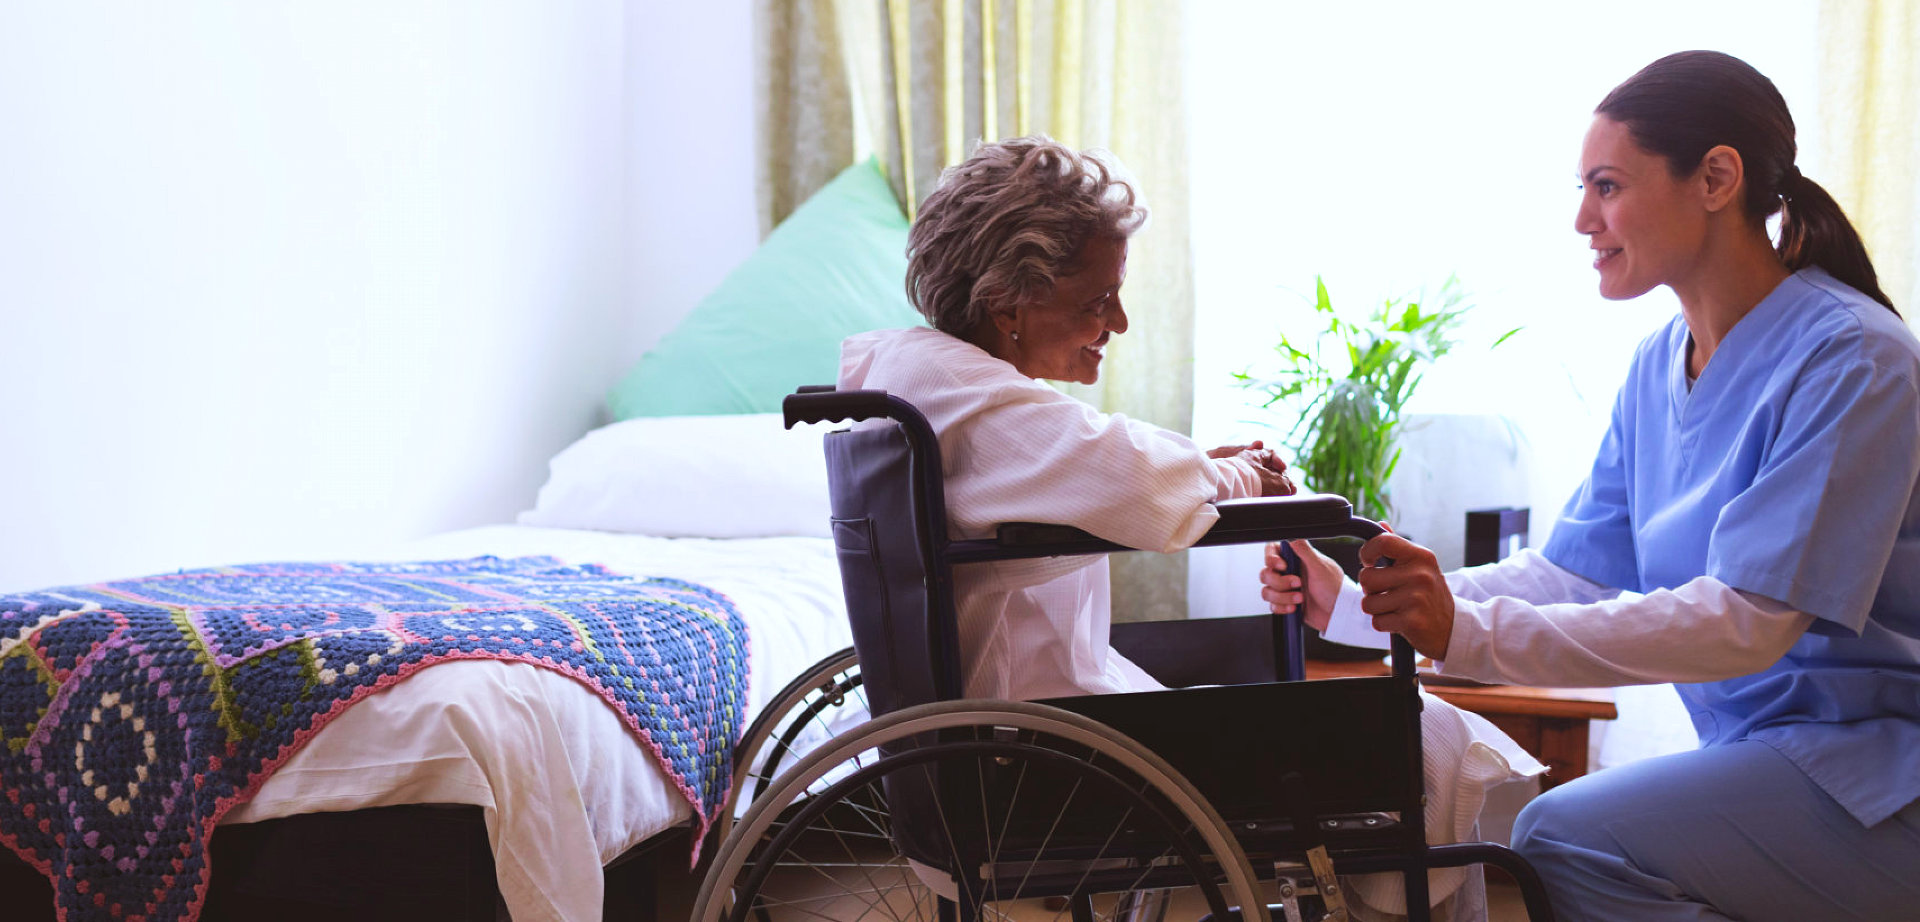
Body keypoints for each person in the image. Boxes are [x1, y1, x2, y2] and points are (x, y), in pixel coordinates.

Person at [1263, 51, 1920, 921]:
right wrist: (1356, 604)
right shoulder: (1659, 365)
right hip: (1778, 762)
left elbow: (1748, 625)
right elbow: (1573, 572)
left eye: (1607, 186)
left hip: (1882, 776)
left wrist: (1467, 630)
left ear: (1716, 177)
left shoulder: (1855, 359)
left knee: (1564, 837)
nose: (1582, 218)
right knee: (1557, 838)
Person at [842, 135, 1541, 919]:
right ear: (1010, 302)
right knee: (1424, 730)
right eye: (1095, 299)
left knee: (1390, 723)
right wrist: (1243, 477)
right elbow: (1133, 478)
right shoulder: (976, 401)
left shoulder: (927, 379)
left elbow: (1095, 465)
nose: (1120, 320)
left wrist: (1204, 467)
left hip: (1018, 743)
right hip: (1049, 761)